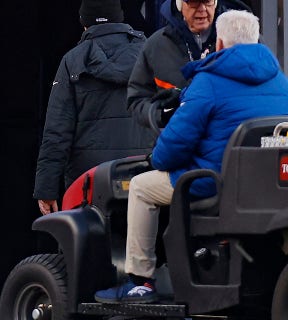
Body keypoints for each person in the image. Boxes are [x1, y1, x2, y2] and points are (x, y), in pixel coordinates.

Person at [94, 9, 288, 304]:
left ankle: (140, 282)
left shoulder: (208, 82)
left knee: (142, 187)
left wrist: (157, 160)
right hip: (266, 186)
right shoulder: (280, 81)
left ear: (220, 44)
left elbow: (173, 147)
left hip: (214, 183)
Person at [34, 0, 155, 215]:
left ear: (84, 23)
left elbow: (57, 132)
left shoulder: (72, 60)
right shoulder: (151, 54)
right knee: (142, 246)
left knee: (86, 245)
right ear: (120, 18)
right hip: (143, 174)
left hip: (88, 181)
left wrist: (47, 189)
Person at [127, 0, 250, 129]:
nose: (202, 9)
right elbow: (137, 100)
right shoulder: (156, 45)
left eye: (208, 2)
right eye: (194, 2)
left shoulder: (240, 39)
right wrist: (162, 115)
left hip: (225, 141)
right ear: (179, 5)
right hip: (175, 142)